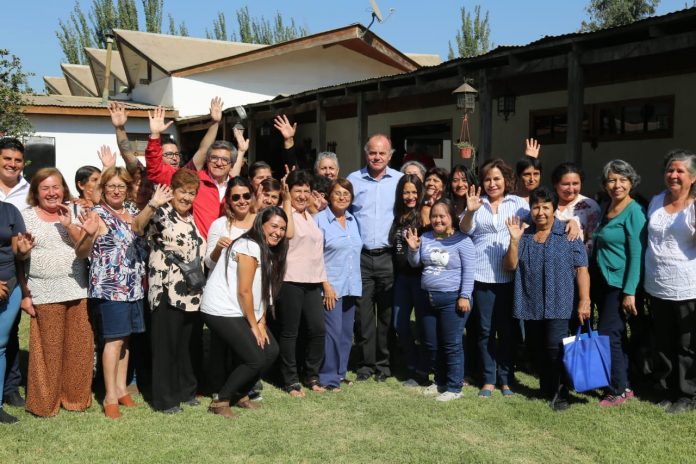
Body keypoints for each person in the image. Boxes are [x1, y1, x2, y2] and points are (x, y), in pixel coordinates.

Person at [75, 167, 168, 419]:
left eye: (121, 186)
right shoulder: (97, 213)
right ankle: (109, 397)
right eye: (111, 186)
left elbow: (139, 228)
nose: (116, 190)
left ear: (127, 190)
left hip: (134, 287)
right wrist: (89, 235)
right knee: (113, 341)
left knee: (125, 341)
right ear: (103, 189)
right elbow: (82, 252)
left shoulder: (133, 213)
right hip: (110, 288)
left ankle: (121, 388)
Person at [504, 187, 591, 411]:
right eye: (536, 207)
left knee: (555, 348)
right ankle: (546, 387)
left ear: (554, 209)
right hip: (530, 301)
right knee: (536, 348)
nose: (540, 212)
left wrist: (585, 300)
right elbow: (510, 266)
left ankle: (561, 394)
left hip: (560, 302)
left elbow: (582, 269)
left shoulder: (569, 233)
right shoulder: (524, 234)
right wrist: (514, 240)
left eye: (545, 207)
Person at [19, 168, 94, 417]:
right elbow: (19, 259)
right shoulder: (26, 217)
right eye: (45, 188)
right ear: (36, 192)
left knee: (79, 350)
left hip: (77, 289)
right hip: (44, 291)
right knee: (47, 352)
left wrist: (69, 224)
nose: (52, 193)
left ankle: (75, 399)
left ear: (63, 189)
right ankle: (45, 404)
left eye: (56, 187)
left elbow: (84, 247)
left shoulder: (74, 211)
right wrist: (25, 294)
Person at [200, 207, 287, 418]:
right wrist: (253, 324)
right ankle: (221, 401)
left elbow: (263, 290)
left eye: (283, 228)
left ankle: (240, 394)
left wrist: (262, 320)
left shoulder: (266, 249)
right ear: (261, 225)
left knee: (271, 350)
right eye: (273, 226)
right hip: (220, 309)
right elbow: (245, 291)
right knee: (256, 357)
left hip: (238, 309)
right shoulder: (248, 245)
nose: (278, 232)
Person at [135, 169, 206, 414]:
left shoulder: (193, 218)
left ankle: (186, 391)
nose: (187, 197)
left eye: (191, 193)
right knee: (165, 346)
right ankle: (165, 399)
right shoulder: (161, 213)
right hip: (166, 288)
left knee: (185, 345)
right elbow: (137, 227)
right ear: (172, 191)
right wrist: (153, 204)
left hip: (190, 292)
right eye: (182, 191)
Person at [459, 159, 529, 397]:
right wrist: (470, 211)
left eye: (497, 178)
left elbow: (541, 221)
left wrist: (569, 222)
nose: (492, 183)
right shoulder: (477, 203)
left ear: (506, 180)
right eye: (488, 179)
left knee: (507, 331)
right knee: (485, 330)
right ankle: (488, 378)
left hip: (509, 276)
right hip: (481, 277)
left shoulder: (518, 203)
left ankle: (506, 378)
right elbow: (465, 230)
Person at [406, 200, 475, 402]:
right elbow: (415, 263)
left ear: (451, 218)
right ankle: (440, 381)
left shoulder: (463, 241)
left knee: (451, 344)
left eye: (442, 216)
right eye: (434, 216)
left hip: (452, 299)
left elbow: (469, 272)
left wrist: (465, 296)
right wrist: (413, 249)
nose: (438, 219)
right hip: (427, 298)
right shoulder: (425, 237)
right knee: (431, 343)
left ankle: (454, 387)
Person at [348, 134, 403, 381]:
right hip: (361, 257)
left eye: (382, 153)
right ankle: (365, 365)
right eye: (372, 153)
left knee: (387, 314)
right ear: (365, 153)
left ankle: (384, 364)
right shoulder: (354, 180)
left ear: (390, 155)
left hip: (388, 257)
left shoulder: (400, 181)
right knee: (363, 315)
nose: (377, 157)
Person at [644, 150, 696, 414]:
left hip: (687, 287)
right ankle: (666, 389)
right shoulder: (656, 200)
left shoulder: (694, 205)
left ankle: (687, 395)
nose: (673, 175)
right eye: (669, 170)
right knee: (663, 341)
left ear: (693, 177)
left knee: (686, 345)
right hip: (658, 284)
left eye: (680, 171)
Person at [592, 159, 647, 407]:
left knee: (608, 333)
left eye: (622, 180)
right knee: (614, 335)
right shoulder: (607, 206)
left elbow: (637, 253)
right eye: (612, 180)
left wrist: (630, 292)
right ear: (605, 185)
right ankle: (623, 383)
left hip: (620, 284)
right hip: (603, 281)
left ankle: (617, 390)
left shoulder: (634, 211)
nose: (617, 185)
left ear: (631, 182)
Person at [145, 106, 247, 238]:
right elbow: (156, 170)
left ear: (231, 164)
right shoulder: (192, 180)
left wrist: (241, 151)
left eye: (224, 160)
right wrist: (155, 136)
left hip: (229, 250)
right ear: (207, 159)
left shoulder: (235, 187)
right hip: (197, 251)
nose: (219, 163)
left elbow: (234, 175)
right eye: (214, 158)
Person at [109, 99, 224, 211]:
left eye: (176, 154)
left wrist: (215, 123)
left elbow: (203, 151)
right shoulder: (145, 173)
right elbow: (126, 152)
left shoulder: (185, 175)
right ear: (159, 156)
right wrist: (119, 128)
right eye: (169, 154)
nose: (174, 157)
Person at [273, 170, 328, 396]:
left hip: (313, 281)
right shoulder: (286, 214)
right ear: (289, 192)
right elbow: (287, 235)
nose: (303, 195)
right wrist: (286, 200)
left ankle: (312, 375)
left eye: (307, 191)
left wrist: (324, 282)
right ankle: (291, 380)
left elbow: (317, 253)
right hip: (291, 280)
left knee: (317, 330)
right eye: (298, 191)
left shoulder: (310, 216)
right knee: (290, 333)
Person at [315, 178, 362, 391]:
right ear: (328, 196)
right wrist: (325, 285)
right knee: (332, 334)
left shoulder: (353, 220)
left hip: (351, 285)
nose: (342, 197)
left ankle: (340, 373)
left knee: (345, 334)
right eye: (337, 193)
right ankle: (327, 377)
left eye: (346, 194)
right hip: (331, 287)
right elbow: (315, 257)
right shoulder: (319, 220)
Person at [389, 174, 429, 386]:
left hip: (420, 278)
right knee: (399, 323)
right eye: (406, 191)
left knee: (423, 326)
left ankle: (423, 371)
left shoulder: (424, 213)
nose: (410, 196)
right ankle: (412, 364)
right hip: (402, 278)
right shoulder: (398, 215)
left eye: (414, 191)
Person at [0, 137, 30, 409]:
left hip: (15, 270)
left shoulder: (28, 193)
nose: (12, 164)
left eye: (17, 160)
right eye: (7, 158)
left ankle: (10, 387)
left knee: (10, 334)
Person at [0, 202, 32, 424]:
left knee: (0, 346)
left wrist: (22, 251)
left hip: (10, 286)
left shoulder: (9, 210)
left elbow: (16, 254)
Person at [205, 177, 257, 271]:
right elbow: (209, 264)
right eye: (236, 197)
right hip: (224, 283)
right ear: (228, 200)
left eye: (246, 196)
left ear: (252, 196)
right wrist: (218, 248)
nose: (242, 201)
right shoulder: (219, 224)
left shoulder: (261, 222)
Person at [552, 163, 601, 246]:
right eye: (566, 184)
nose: (571, 189)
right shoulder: (547, 203)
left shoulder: (589, 206)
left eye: (575, 184)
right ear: (555, 184)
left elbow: (592, 241)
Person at [514, 138, 542, 203]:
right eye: (527, 174)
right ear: (518, 176)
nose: (532, 179)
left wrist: (531, 159)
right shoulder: (508, 199)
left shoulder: (546, 198)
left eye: (536, 174)